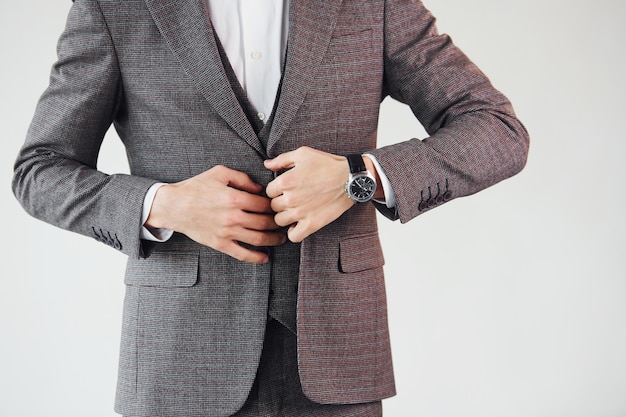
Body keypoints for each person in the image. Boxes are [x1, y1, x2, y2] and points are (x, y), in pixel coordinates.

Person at [12, 0, 529, 415]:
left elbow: (497, 131)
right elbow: (40, 169)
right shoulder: (116, 6)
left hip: (336, 359)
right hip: (180, 366)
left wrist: (359, 178)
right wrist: (163, 205)